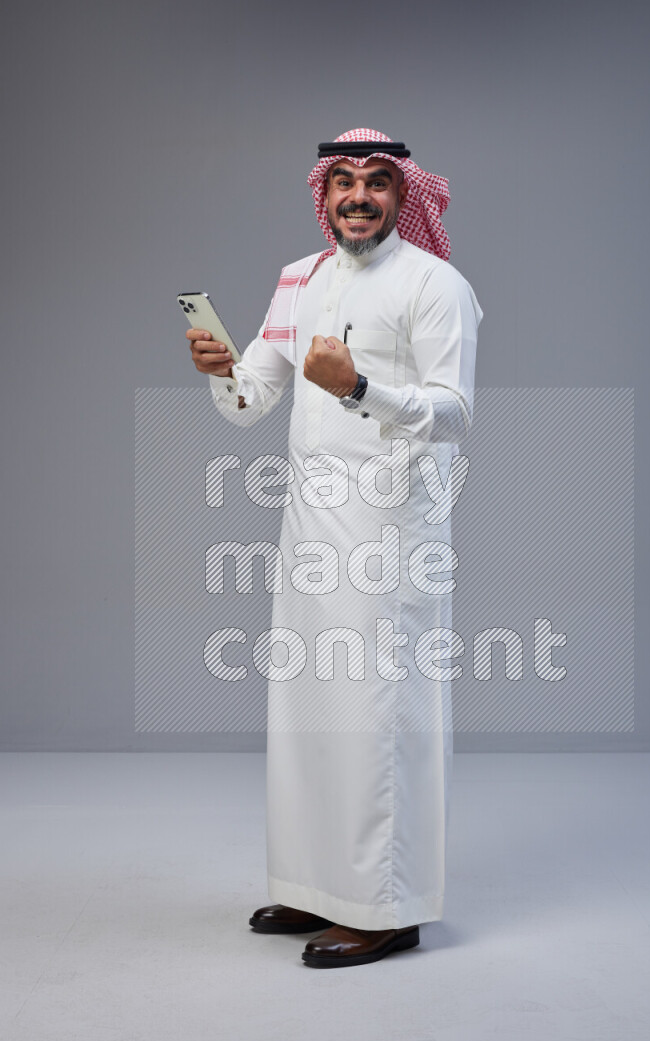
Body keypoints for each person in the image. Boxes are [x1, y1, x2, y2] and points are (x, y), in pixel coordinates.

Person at [187, 128, 482, 968]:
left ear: (404, 194)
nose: (358, 195)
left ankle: (386, 906)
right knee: (311, 710)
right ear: (324, 194)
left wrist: (359, 386)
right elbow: (249, 402)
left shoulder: (436, 284)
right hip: (310, 531)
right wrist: (218, 367)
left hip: (392, 535)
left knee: (379, 713)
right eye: (343, 181)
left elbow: (457, 412)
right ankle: (321, 888)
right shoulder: (298, 279)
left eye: (378, 181)